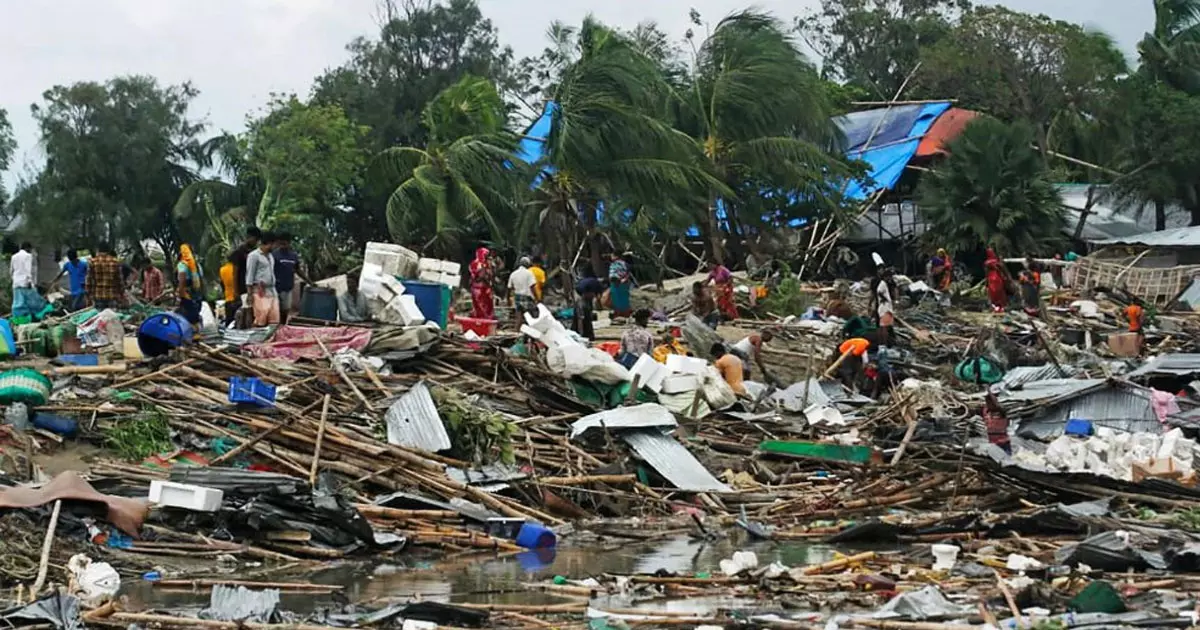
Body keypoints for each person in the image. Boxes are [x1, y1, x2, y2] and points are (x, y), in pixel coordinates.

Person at [224, 228, 262, 327]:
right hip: (242, 286)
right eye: (255, 239)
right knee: (247, 310)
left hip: (254, 286)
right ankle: (245, 330)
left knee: (253, 311)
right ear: (250, 237)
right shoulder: (239, 252)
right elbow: (235, 272)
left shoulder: (255, 252)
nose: (256, 242)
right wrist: (235, 290)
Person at [245, 233, 279, 326]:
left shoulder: (271, 256)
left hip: (271, 290)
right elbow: (250, 275)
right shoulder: (254, 256)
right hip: (260, 290)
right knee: (261, 317)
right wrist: (249, 294)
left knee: (274, 318)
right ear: (270, 243)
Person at [272, 233, 307, 324]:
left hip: (288, 287)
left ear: (289, 243)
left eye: (285, 243)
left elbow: (298, 270)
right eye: (281, 243)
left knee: (286, 309)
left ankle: (283, 327)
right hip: (276, 288)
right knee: (276, 310)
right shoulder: (274, 255)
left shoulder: (293, 256)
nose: (283, 245)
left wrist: (309, 281)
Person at [11, 242, 48, 321]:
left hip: (16, 283)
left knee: (18, 302)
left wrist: (14, 279)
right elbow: (28, 270)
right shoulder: (28, 256)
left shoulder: (14, 256)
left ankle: (20, 319)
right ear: (28, 248)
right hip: (25, 282)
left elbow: (11, 270)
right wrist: (29, 281)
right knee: (34, 302)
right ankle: (38, 316)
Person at [86, 243, 125, 310]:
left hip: (98, 295)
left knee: (100, 318)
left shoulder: (92, 262)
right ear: (109, 250)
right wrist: (121, 293)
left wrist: (88, 295)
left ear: (98, 250)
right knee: (112, 318)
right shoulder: (115, 262)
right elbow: (120, 280)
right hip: (112, 295)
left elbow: (89, 280)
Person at [175, 244, 205, 325]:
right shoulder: (198, 266)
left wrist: (180, 295)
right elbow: (201, 282)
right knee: (194, 317)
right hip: (197, 296)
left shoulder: (182, 264)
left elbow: (182, 280)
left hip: (187, 296)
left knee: (186, 318)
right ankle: (196, 332)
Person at [508, 257, 537, 326]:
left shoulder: (513, 274)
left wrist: (508, 298)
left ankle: (517, 331)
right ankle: (530, 332)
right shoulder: (529, 273)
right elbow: (532, 286)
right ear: (527, 264)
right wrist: (536, 298)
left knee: (518, 317)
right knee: (529, 317)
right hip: (527, 296)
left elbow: (509, 287)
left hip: (517, 296)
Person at [573, 275, 603, 341]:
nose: (593, 296)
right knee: (584, 321)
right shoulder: (582, 305)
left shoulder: (585, 301)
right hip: (583, 334)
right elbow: (581, 321)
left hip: (581, 290)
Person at [469, 247, 495, 320]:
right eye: (486, 254)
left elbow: (490, 275)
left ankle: (486, 319)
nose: (488, 256)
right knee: (480, 305)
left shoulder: (487, 263)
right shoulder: (476, 263)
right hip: (479, 288)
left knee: (487, 305)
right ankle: (481, 319)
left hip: (484, 288)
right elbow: (479, 276)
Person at [871, 268, 895, 346]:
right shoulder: (883, 284)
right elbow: (879, 292)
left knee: (882, 326)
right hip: (885, 308)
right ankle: (884, 343)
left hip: (883, 308)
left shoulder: (884, 284)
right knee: (885, 327)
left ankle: (883, 343)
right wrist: (884, 299)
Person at [607, 252, 633, 318]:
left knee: (617, 300)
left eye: (612, 256)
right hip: (623, 284)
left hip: (615, 284)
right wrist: (624, 279)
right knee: (623, 300)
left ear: (616, 256)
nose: (611, 257)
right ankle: (625, 314)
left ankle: (619, 315)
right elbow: (628, 274)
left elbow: (611, 276)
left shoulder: (613, 264)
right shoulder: (626, 264)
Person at [984, 248, 1008, 312]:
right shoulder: (997, 262)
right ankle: (1001, 307)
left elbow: (986, 273)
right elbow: (1002, 270)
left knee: (992, 293)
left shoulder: (987, 263)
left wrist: (986, 283)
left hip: (991, 279)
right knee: (1000, 292)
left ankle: (994, 307)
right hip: (998, 278)